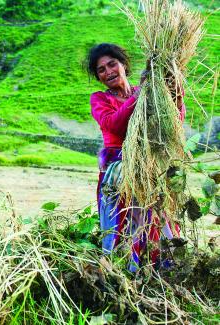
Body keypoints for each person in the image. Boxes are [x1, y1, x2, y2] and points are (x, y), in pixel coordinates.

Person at [85, 43, 185, 271]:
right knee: (125, 226)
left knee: (156, 222)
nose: (108, 72)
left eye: (112, 64)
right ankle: (125, 276)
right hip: (120, 173)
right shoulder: (100, 99)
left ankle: (159, 276)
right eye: (101, 70)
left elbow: (173, 123)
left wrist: (176, 93)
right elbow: (115, 125)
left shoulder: (148, 94)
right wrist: (140, 93)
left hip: (150, 168)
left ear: (124, 65)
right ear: (98, 77)